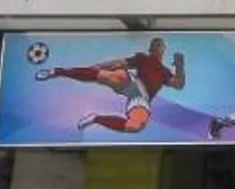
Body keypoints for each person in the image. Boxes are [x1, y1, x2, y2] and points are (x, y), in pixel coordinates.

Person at [39, 39, 187, 134]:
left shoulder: (164, 72)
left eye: (160, 45)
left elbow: (178, 84)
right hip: (133, 82)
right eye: (155, 45)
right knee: (114, 75)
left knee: (135, 126)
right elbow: (118, 63)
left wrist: (180, 66)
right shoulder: (143, 58)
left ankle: (96, 119)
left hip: (142, 98)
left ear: (163, 50)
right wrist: (99, 67)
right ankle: (58, 71)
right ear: (151, 48)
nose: (157, 47)